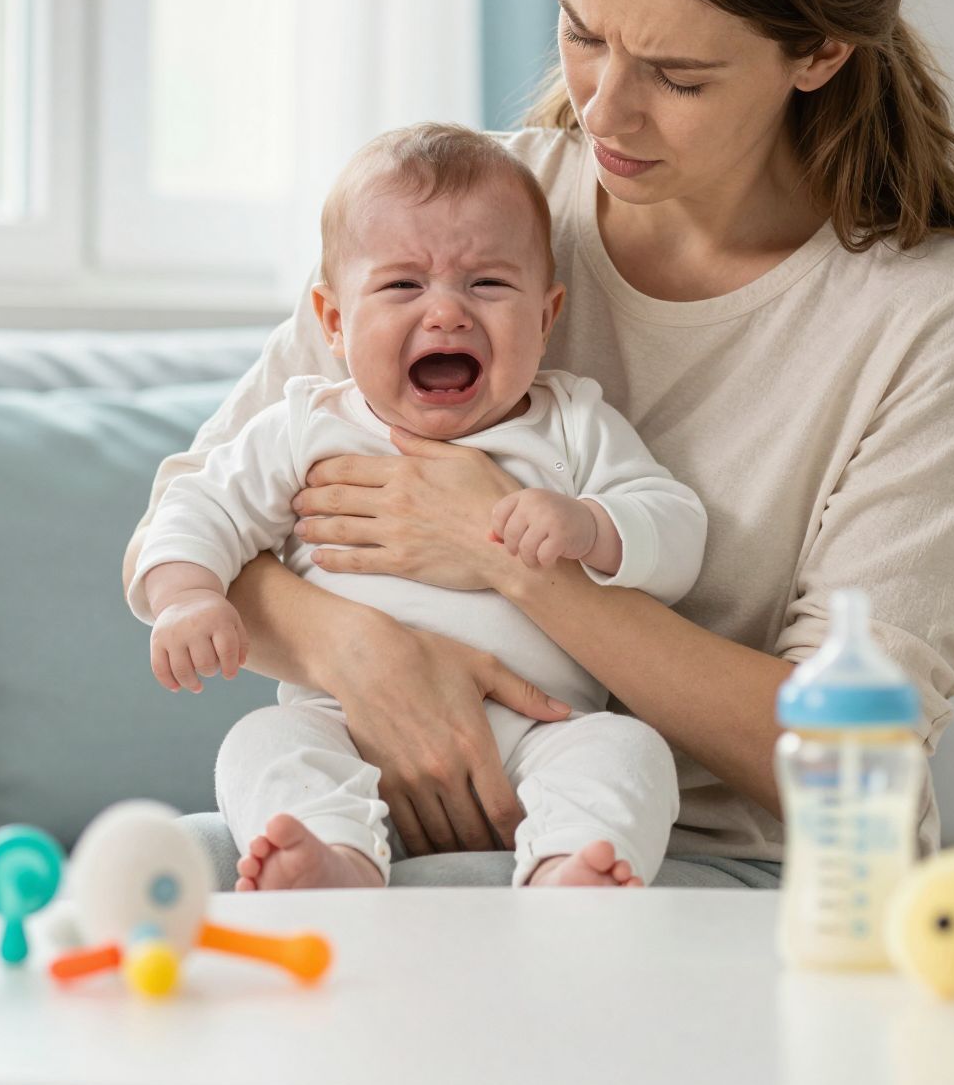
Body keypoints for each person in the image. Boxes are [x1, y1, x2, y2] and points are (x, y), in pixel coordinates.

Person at [118, 0, 954, 1085]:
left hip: (740, 891)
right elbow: (215, 501)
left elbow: (839, 758)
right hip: (438, 820)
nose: (605, 113)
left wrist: (510, 566)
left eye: (678, 75)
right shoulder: (486, 207)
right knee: (155, 926)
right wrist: (367, 655)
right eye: (582, 34)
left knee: (410, 1017)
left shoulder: (923, 312)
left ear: (817, 54)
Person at [131, 123, 705, 892]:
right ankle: (337, 857)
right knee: (261, 741)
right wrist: (188, 596)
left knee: (631, 753)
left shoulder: (571, 423)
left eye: (488, 285)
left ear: (546, 314)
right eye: (404, 286)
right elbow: (199, 506)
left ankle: (570, 867)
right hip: (347, 728)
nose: (446, 314)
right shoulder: (308, 424)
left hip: (541, 739)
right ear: (333, 322)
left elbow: (675, 528)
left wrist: (594, 528)